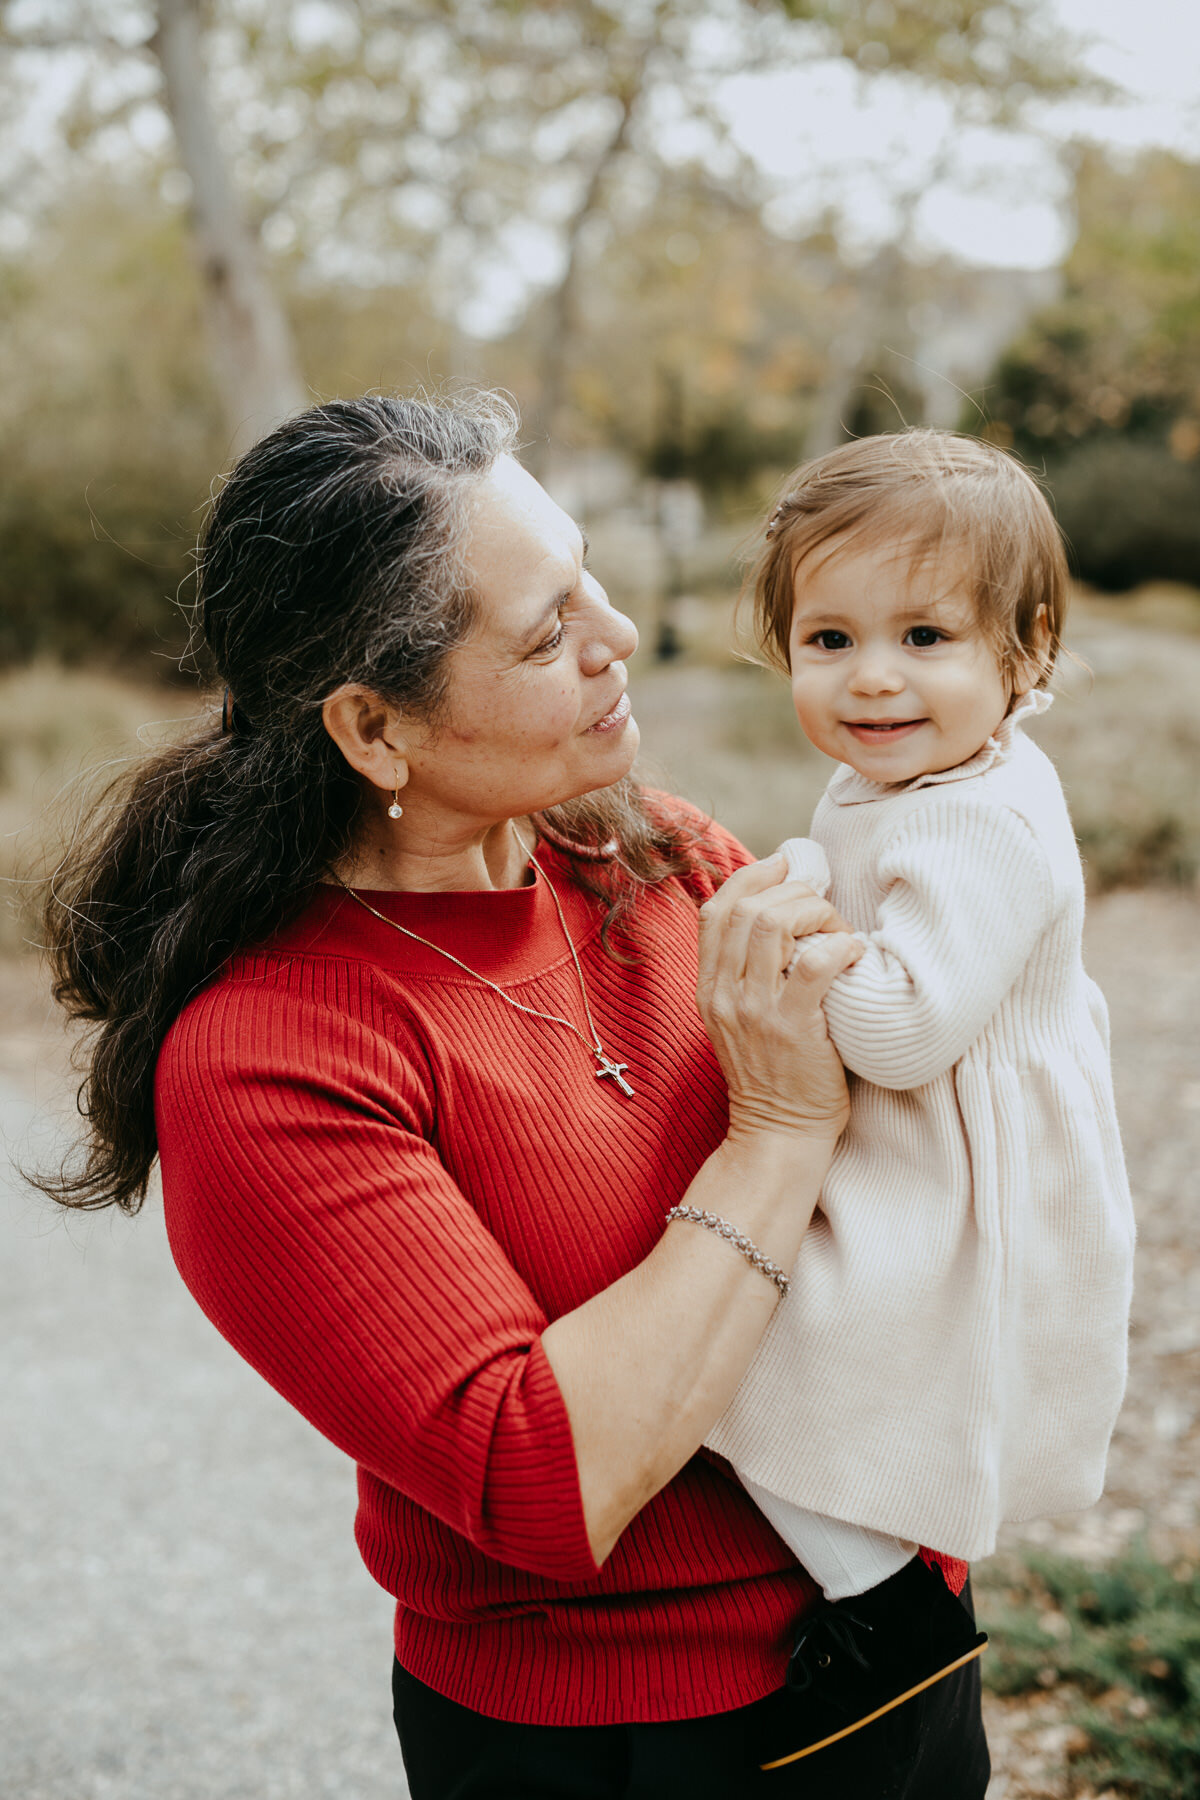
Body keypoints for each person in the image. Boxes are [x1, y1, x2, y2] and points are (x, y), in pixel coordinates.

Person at [41, 393, 990, 1798]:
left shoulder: (658, 854)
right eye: (547, 635)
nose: (616, 639)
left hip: (905, 1634)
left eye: (588, 578)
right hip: (620, 1742)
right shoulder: (267, 1061)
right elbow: (545, 1483)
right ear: (375, 727)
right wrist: (777, 1133)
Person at [704, 431, 1135, 1758]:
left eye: (927, 635)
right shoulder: (922, 771)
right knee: (800, 1367)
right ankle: (889, 1566)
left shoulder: (972, 817)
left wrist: (784, 927)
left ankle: (888, 1609)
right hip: (931, 1146)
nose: (872, 677)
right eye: (827, 639)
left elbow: (897, 1027)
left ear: (1030, 651)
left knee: (739, 1364)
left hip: (960, 1168)